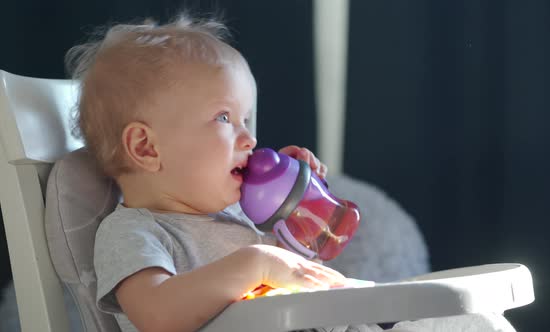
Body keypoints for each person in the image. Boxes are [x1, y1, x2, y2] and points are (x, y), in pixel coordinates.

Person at [68, 14, 386, 332]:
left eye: (244, 119)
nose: (251, 140)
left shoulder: (235, 212)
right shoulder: (132, 233)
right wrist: (257, 263)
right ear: (146, 148)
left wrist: (296, 202)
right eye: (223, 117)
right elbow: (157, 316)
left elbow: (294, 278)